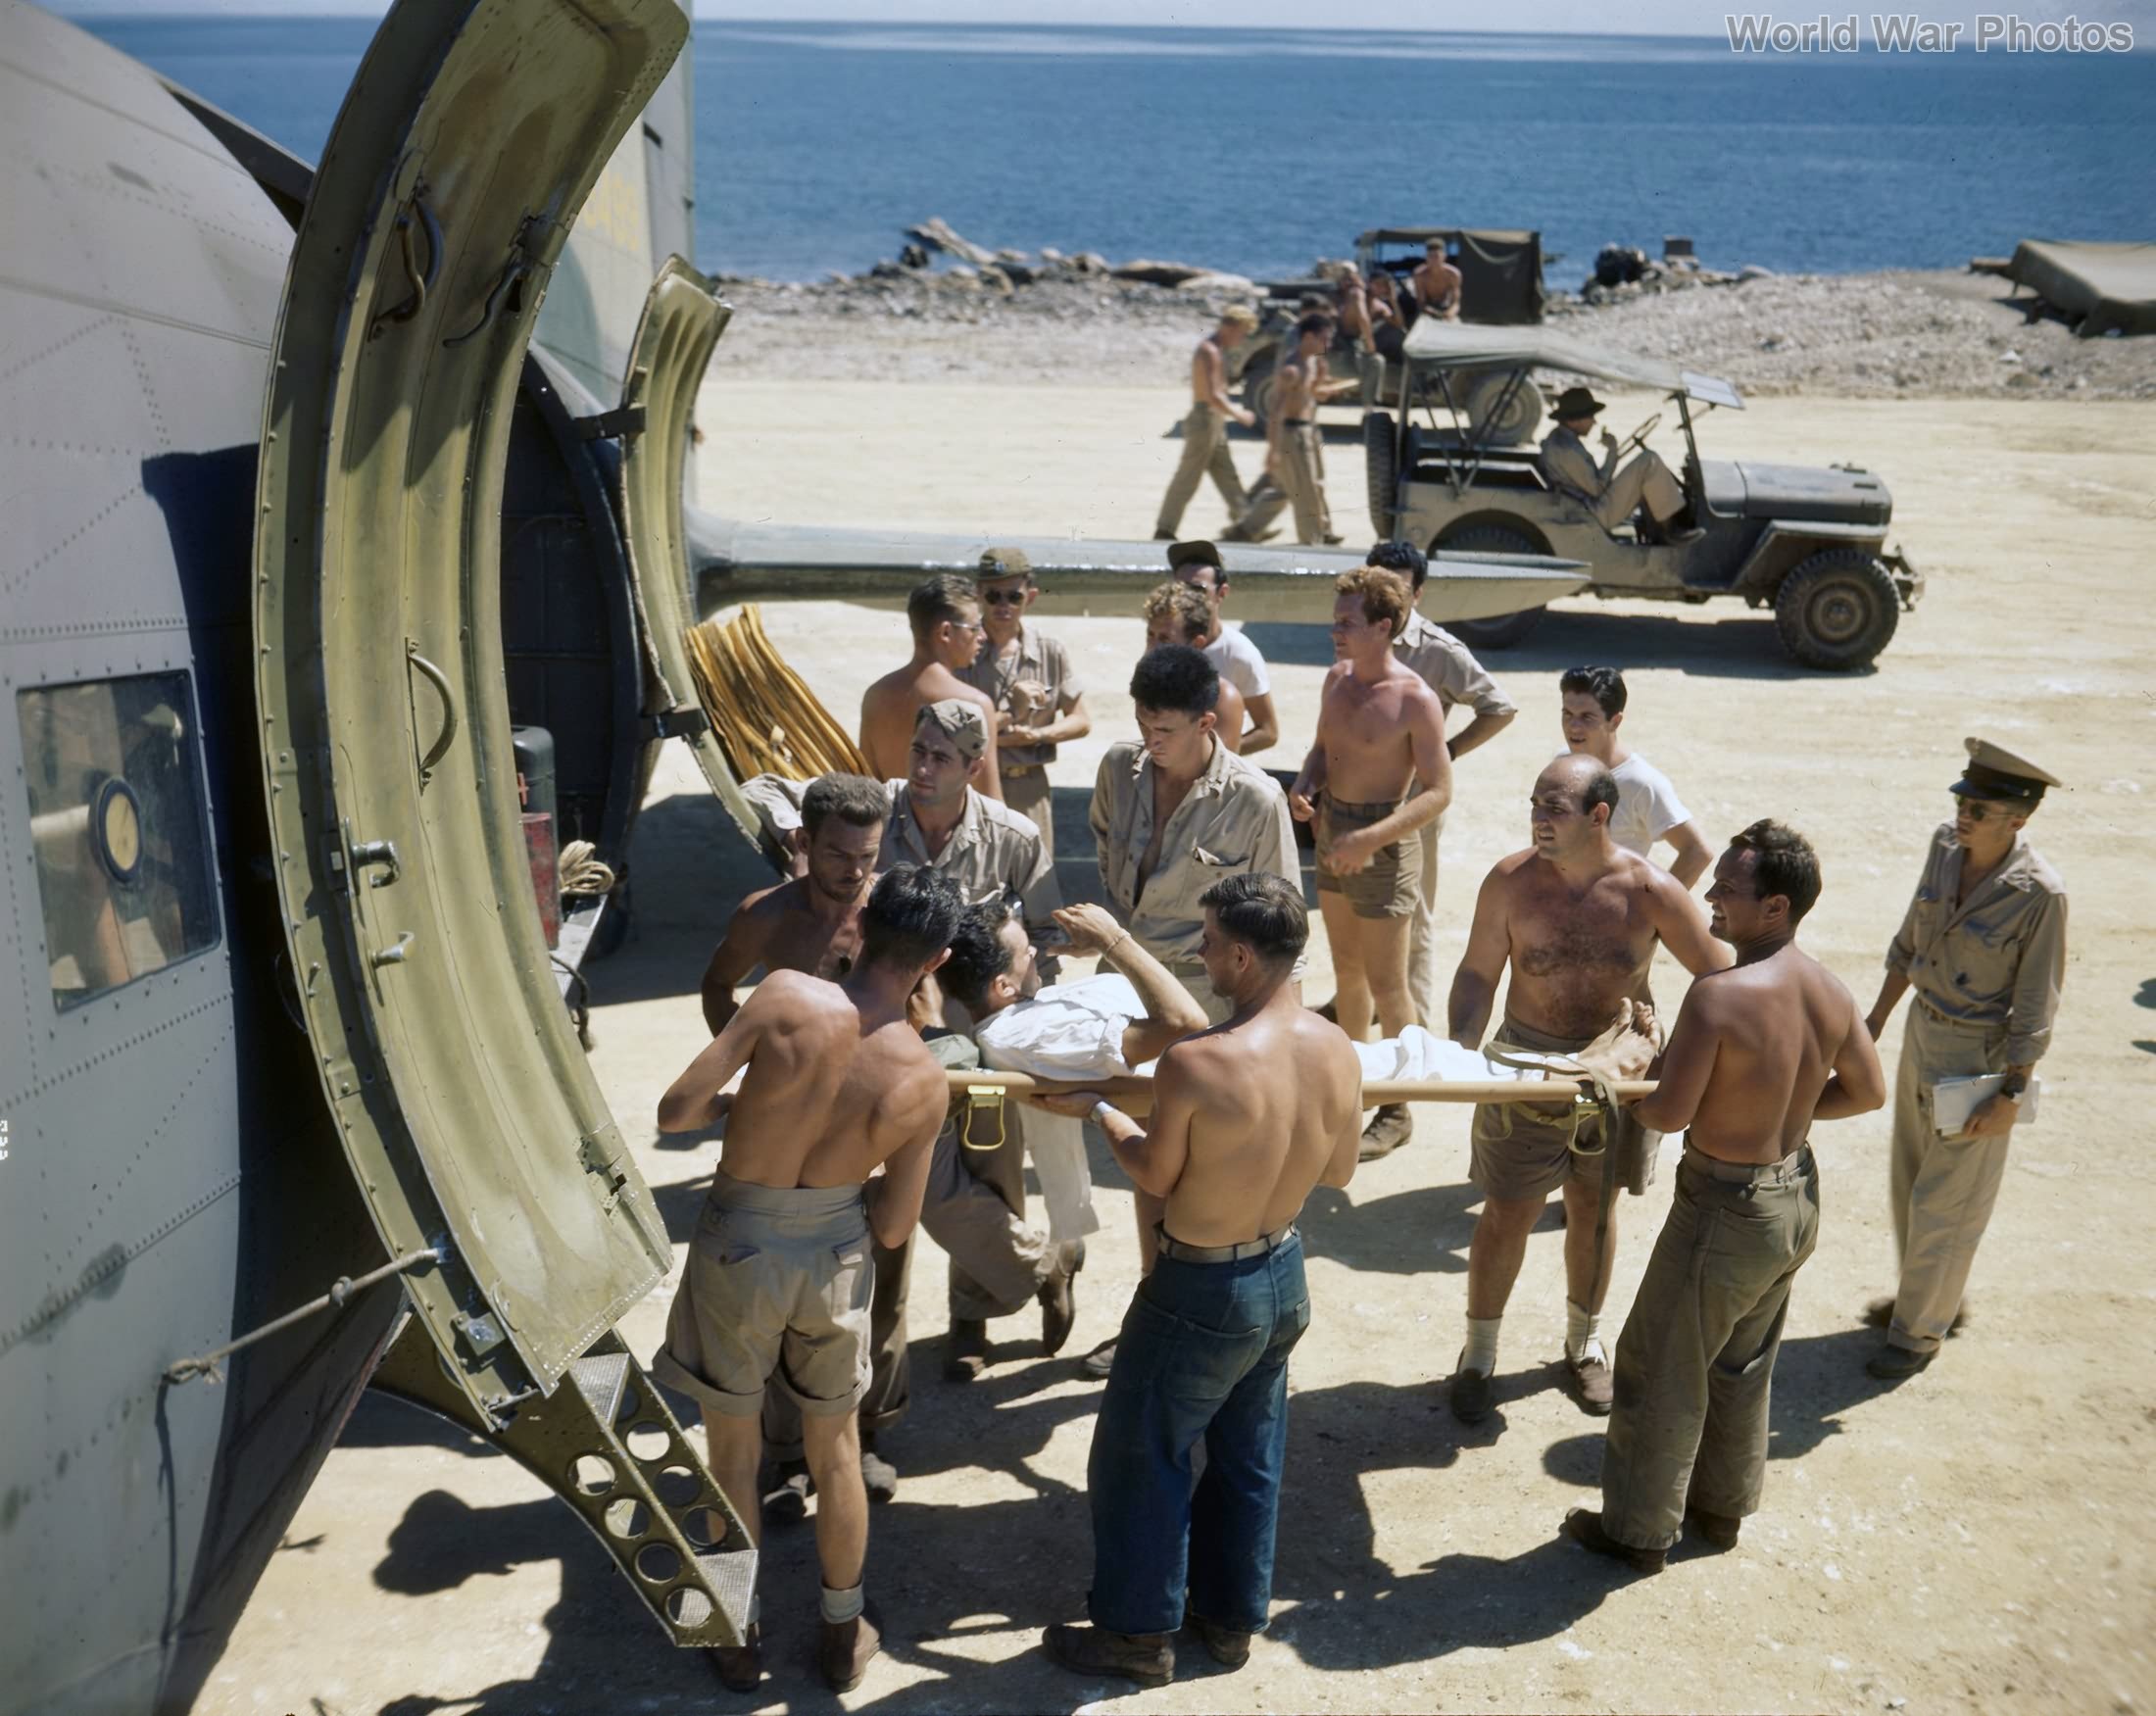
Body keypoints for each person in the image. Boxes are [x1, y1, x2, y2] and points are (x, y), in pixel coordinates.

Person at [1035, 873, 1364, 1688]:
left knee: (1140, 1454)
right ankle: (1230, 1620)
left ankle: (1136, 1632)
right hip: (1282, 1274)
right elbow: (1340, 1168)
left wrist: (1102, 1111)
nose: (1202, 954)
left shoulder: (1196, 1062)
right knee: (1250, 1453)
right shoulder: (1336, 1045)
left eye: (1210, 942)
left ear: (1244, 956)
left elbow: (1153, 1172)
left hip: (1200, 1291)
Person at [651, 866, 961, 1694]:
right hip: (834, 1256)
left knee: (733, 1452)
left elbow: (675, 1111)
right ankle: (841, 1630)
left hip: (737, 1244)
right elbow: (893, 1226)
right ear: (935, 961)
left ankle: (735, 1630)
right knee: (838, 1451)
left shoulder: (785, 995)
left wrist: (737, 1110)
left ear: (863, 922)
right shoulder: (923, 1076)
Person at [1563, 821, 1886, 1574]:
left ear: (1775, 906)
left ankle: (1639, 1531)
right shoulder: (1830, 989)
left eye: (1729, 889)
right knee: (1740, 1363)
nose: (1709, 893)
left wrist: (1613, 1077)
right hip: (1793, 1198)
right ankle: (1722, 1507)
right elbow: (1868, 1091)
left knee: (1658, 1364)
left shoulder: (1718, 996)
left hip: (1725, 1207)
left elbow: (1667, 1114)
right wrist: (1781, 1110)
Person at [1446, 755, 1729, 1423]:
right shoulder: (1509, 883)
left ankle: (1584, 1344)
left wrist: (1680, 1057)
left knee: (1593, 1212)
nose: (1538, 820)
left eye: (1554, 809)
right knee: (1507, 1212)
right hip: (1525, 1071)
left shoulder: (1650, 890)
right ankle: (1478, 1355)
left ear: (1599, 815)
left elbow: (1720, 976)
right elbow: (1478, 973)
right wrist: (1458, 1049)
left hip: (1617, 1080)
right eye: (1535, 805)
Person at [1087, 644, 1300, 1376]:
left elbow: (1284, 927)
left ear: (1208, 723)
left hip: (1211, 1003)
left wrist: (1279, 1038)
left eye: (1166, 729)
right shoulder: (1118, 769)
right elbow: (1107, 851)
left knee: (1201, 1173)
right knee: (1153, 1170)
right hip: (1126, 986)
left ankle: (1194, 1327)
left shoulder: (1255, 800)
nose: (1150, 741)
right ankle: (1155, 1315)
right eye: (1142, 723)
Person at [1859, 738, 2067, 1380]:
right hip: (1924, 1030)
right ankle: (1925, 1299)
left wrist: (2012, 1094)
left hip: (1978, 1053)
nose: (1964, 815)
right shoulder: (1945, 848)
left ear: (2018, 819)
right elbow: (1908, 940)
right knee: (1910, 1178)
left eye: (1979, 809)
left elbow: (2036, 1004)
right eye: (1962, 802)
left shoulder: (2039, 895)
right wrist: (1875, 1020)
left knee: (1949, 1201)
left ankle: (1917, 1333)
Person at [1288, 565, 1451, 1161]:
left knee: (1388, 983)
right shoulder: (1337, 680)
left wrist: (1372, 839)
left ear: (1383, 627)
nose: (1335, 631)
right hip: (1336, 833)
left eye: (1347, 623)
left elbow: (1438, 791)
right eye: (1335, 621)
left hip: (1383, 843)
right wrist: (1305, 784)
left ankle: (1397, 1108)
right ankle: (1349, 1091)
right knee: (1348, 974)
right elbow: (1321, 749)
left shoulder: (1415, 699)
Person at [1371, 539, 1518, 1027]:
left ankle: (1413, 1036)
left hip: (1413, 805)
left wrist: (1447, 752)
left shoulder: (1437, 651)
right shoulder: (1356, 634)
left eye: (1398, 589)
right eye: (1377, 586)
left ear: (1419, 594)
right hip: (1357, 801)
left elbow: (1499, 707)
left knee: (1412, 919)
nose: (1386, 598)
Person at [699, 773, 887, 1035]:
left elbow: (925, 990)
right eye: (838, 855)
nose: (855, 871)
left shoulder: (894, 911)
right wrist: (742, 1054)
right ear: (804, 842)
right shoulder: (765, 916)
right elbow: (717, 985)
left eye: (867, 855)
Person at [958, 548, 1091, 864]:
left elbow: (1081, 720)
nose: (1003, 605)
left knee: (1033, 877)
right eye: (994, 596)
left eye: (1013, 597)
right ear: (978, 595)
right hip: (973, 784)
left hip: (1030, 786)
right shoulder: (962, 649)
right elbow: (953, 731)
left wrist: (1038, 736)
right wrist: (1009, 717)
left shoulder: (1049, 651)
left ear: (1030, 597)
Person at [1558, 664, 1711, 889]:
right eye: (1567, 714)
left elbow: (1697, 851)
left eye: (1587, 717)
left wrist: (1657, 907)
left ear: (1615, 721)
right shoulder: (1561, 764)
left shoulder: (1640, 783)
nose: (1573, 726)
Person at [859, 574, 1003, 800]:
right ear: (946, 632)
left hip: (891, 820)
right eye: (975, 627)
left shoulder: (876, 695)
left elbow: (868, 786)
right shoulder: (974, 704)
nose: (983, 636)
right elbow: (992, 804)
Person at [1222, 312, 1341, 547]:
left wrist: (1321, 383)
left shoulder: (1311, 362)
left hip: (1308, 430)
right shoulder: (1291, 369)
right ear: (1308, 337)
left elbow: (1308, 395)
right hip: (1293, 435)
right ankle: (1312, 542)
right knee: (1305, 492)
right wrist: (1273, 450)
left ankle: (1245, 530)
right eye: (1323, 338)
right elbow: (1276, 412)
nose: (1327, 344)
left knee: (1285, 488)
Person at [1539, 385, 1700, 545]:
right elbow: (1597, 489)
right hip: (1594, 513)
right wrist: (1612, 451)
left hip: (1584, 507)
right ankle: (1670, 531)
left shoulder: (1561, 440)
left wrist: (1613, 455)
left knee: (1644, 473)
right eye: (1590, 416)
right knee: (1649, 461)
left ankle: (1658, 532)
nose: (1594, 421)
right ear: (1573, 421)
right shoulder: (1566, 449)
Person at [1152, 306, 1261, 539]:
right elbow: (1214, 395)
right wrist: (1239, 415)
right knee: (1188, 477)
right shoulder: (1209, 351)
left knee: (1227, 475)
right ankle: (1165, 529)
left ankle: (1248, 525)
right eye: (1242, 333)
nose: (1242, 339)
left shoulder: (1216, 350)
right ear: (1230, 328)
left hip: (1213, 419)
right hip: (1204, 420)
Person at [1167, 539, 1280, 755]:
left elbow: (1268, 731)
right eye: (1178, 588)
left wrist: (1214, 758)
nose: (1186, 597)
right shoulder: (1164, 644)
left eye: (1197, 589)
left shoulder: (1240, 654)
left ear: (1222, 593)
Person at [1142, 579, 1248, 754]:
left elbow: (1217, 766)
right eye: (1151, 635)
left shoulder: (1223, 700)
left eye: (1165, 639)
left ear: (1197, 644)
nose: (1153, 647)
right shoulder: (1148, 689)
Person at [1411, 235, 1463, 321]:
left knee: (1456, 323)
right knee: (1421, 324)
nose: (1434, 260)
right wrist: (1433, 313)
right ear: (1426, 257)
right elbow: (1421, 303)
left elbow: (1456, 303)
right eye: (1430, 256)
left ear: (1444, 256)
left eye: (1436, 256)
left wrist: (1450, 312)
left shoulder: (1453, 274)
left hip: (1446, 308)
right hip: (1427, 310)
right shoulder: (1420, 275)